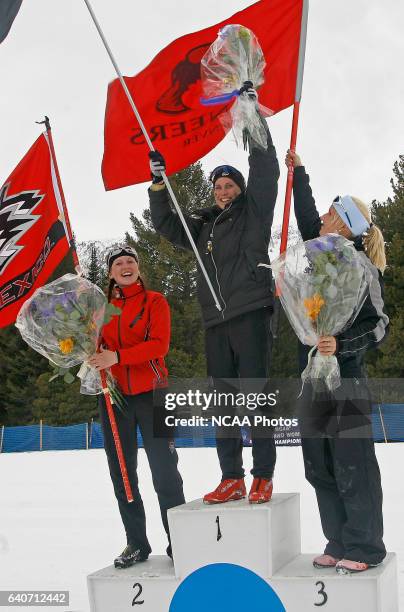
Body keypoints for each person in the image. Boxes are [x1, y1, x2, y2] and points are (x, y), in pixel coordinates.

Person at [148, 86, 280, 505]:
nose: (223, 191)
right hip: (215, 321)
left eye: (229, 185)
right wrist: (157, 182)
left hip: (251, 312)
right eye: (218, 186)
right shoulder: (202, 227)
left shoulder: (255, 211)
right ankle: (231, 477)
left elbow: (266, 171)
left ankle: (262, 475)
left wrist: (253, 117)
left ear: (240, 189)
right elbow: (168, 225)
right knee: (224, 403)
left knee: (254, 398)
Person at [286, 149, 389, 574]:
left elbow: (378, 326)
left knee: (353, 462)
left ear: (344, 222)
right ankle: (338, 539)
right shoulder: (320, 255)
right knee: (319, 462)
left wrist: (339, 346)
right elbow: (307, 218)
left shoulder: (361, 267)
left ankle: (365, 546)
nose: (322, 217)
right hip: (314, 379)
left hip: (345, 377)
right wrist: (299, 174)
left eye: (331, 212)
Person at [88, 245, 185, 568]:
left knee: (165, 471)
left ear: (138, 268)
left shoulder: (154, 301)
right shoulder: (101, 309)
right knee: (123, 473)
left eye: (130, 261)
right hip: (114, 397)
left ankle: (179, 541)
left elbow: (159, 345)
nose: (126, 266)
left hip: (153, 393)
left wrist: (117, 357)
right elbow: (92, 347)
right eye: (119, 263)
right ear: (111, 273)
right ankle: (136, 543)